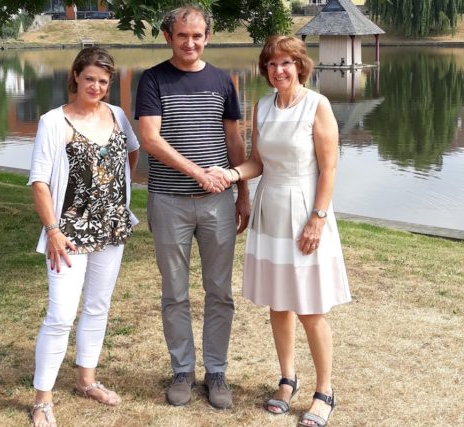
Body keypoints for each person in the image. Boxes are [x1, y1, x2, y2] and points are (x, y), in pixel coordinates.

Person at [210, 35, 351, 426]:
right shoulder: (264, 106)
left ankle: (325, 392)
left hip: (305, 208)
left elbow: (330, 168)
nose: (279, 70)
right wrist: (231, 173)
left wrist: (318, 219)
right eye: (272, 64)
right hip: (270, 208)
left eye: (286, 63)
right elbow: (257, 161)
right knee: (279, 302)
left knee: (310, 308)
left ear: (300, 65)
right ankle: (287, 379)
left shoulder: (317, 105)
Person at [134, 4, 250, 410]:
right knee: (175, 292)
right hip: (169, 203)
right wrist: (199, 172)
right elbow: (150, 139)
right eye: (182, 35)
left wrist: (244, 193)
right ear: (168, 37)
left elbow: (234, 141)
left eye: (197, 35)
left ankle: (216, 371)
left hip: (219, 202)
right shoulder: (153, 80)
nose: (190, 43)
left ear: (207, 37)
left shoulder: (222, 80)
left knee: (220, 291)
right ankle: (182, 369)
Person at [27, 47, 140, 427]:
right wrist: (53, 230)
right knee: (60, 315)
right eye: (90, 78)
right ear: (75, 75)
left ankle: (86, 380)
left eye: (104, 81)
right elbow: (39, 182)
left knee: (97, 306)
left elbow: (130, 156)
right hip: (69, 234)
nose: (96, 86)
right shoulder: (52, 121)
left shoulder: (119, 116)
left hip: (111, 228)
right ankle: (42, 400)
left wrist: (113, 198)